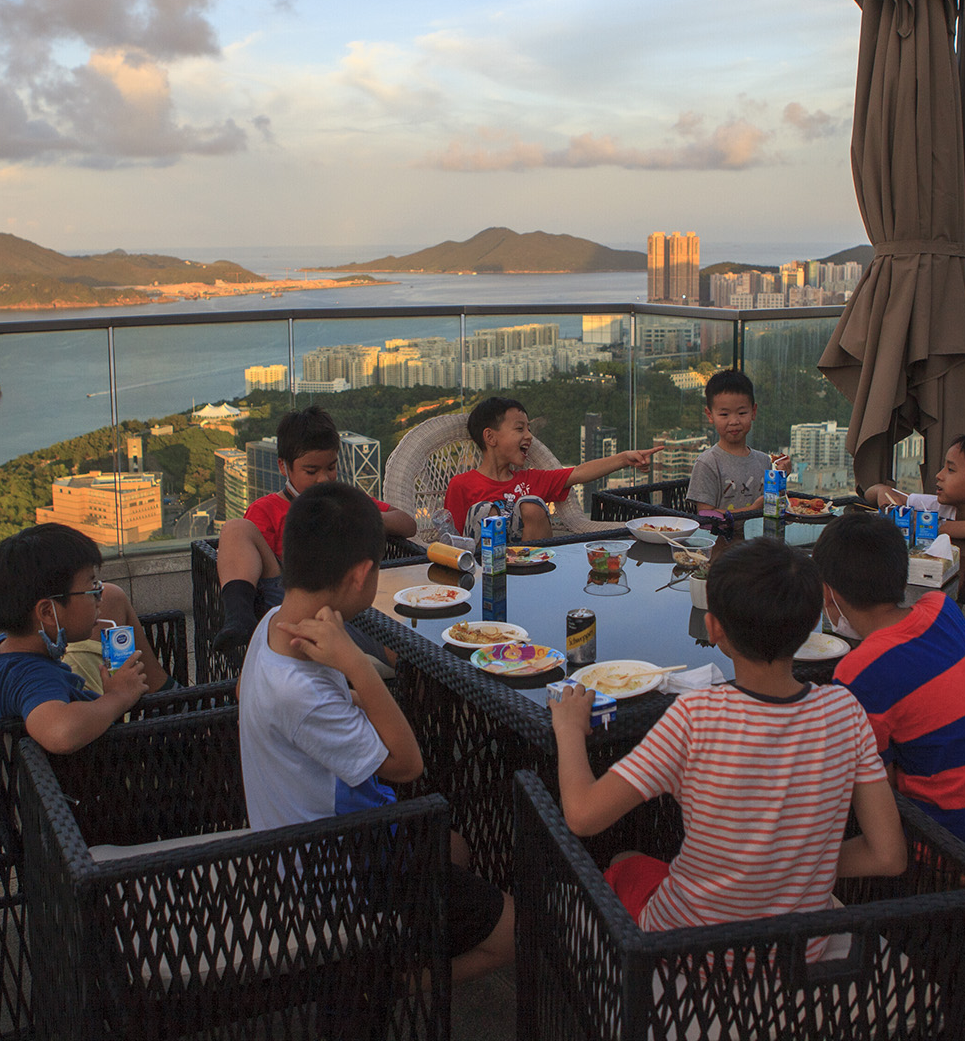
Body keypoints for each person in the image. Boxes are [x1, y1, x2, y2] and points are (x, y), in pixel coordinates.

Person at [548, 537, 905, 953]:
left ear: (713, 628)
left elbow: (582, 817)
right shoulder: (845, 712)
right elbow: (888, 856)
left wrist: (569, 730)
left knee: (622, 862)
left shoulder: (695, 717)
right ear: (811, 624)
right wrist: (797, 868)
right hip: (801, 953)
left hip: (687, 951)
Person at [237, 482, 514, 983]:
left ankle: (400, 948)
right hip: (336, 870)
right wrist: (357, 667)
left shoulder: (272, 624)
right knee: (515, 931)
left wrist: (343, 699)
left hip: (297, 842)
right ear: (362, 575)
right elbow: (408, 765)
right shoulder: (303, 692)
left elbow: (244, 693)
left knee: (455, 847)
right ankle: (390, 985)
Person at [816, 513, 965, 861]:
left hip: (946, 843)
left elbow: (877, 787)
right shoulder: (943, 608)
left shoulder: (859, 671)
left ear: (828, 592)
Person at [214, 406, 416, 655]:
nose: (323, 479)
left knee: (405, 647)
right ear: (283, 467)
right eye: (311, 471)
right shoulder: (266, 510)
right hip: (287, 599)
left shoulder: (344, 502)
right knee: (236, 528)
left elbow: (407, 524)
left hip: (343, 605)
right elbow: (255, 565)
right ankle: (238, 617)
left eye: (330, 468)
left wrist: (358, 516)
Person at [0, 523, 155, 753]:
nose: (100, 599)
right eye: (93, 589)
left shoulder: (0, 652)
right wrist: (118, 696)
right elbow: (60, 733)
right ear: (47, 612)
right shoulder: (34, 677)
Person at [444, 396, 660, 541]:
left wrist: (624, 459)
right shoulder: (462, 485)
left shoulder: (529, 481)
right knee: (485, 511)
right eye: (519, 429)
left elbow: (578, 473)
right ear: (490, 437)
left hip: (527, 566)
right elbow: (452, 538)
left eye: (529, 429)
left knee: (532, 505)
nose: (529, 436)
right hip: (483, 570)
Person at [866, 434, 965, 543]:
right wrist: (883, 491)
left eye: (950, 469)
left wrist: (930, 525)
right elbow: (874, 492)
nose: (939, 475)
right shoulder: (935, 505)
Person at [686, 369, 793, 513]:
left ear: (753, 412)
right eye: (724, 414)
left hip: (760, 529)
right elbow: (705, 515)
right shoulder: (707, 464)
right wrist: (752, 510)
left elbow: (772, 505)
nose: (734, 421)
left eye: (742, 413)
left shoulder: (764, 461)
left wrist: (781, 477)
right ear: (710, 415)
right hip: (724, 530)